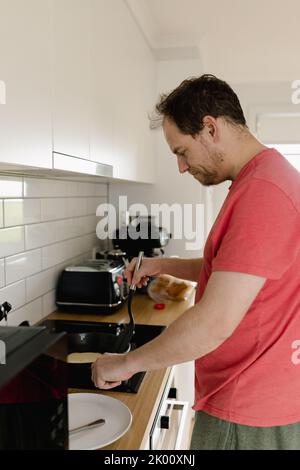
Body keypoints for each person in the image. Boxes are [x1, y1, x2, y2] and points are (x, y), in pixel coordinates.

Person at [91, 75, 300, 450]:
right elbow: (237, 271)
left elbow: (213, 324)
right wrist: (163, 265)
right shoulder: (268, 178)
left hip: (247, 410)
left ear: (209, 128)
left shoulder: (261, 193)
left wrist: (124, 364)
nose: (181, 167)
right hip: (265, 398)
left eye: (182, 151)